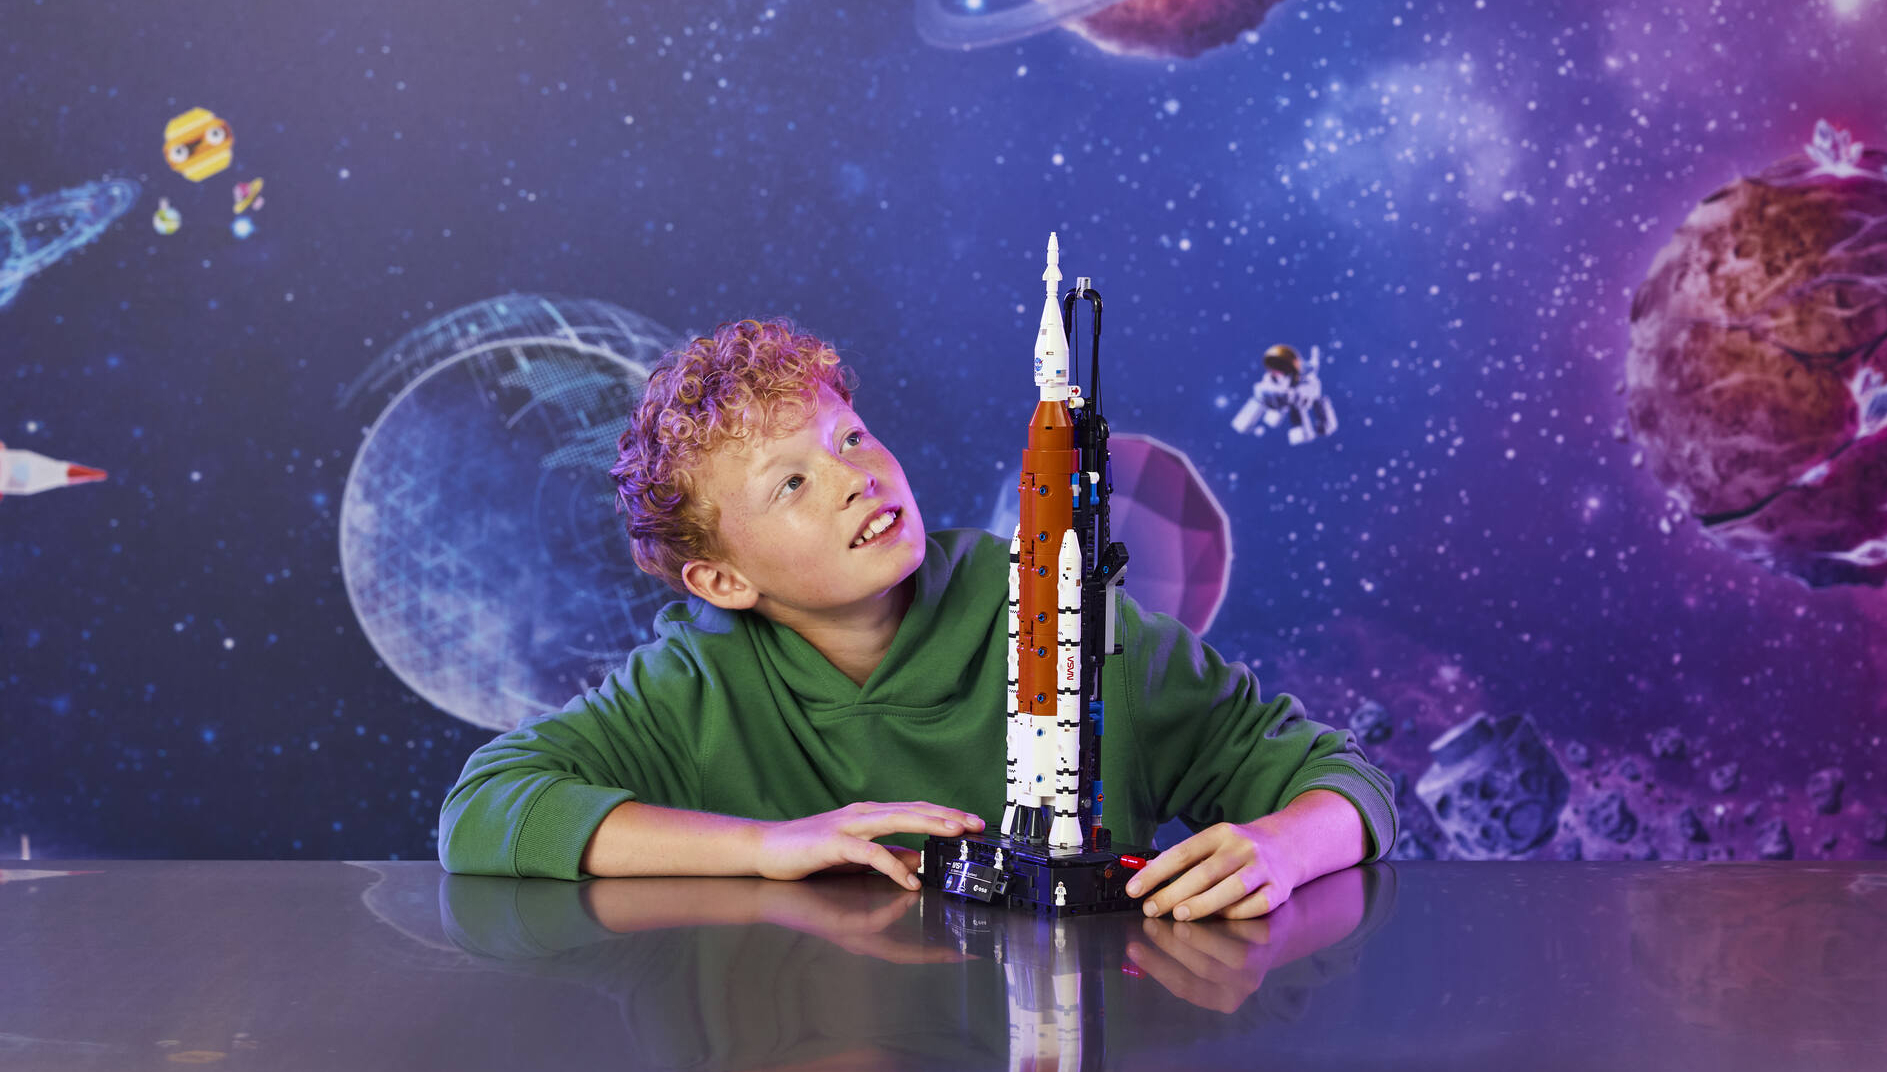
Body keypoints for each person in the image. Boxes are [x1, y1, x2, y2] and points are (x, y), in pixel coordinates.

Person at [439, 318, 1395, 921]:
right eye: (794, 484)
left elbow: (1341, 779)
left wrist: (1283, 846)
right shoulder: (692, 686)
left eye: (851, 436)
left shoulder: (1056, 612)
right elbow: (484, 811)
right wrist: (768, 847)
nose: (858, 476)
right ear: (724, 580)